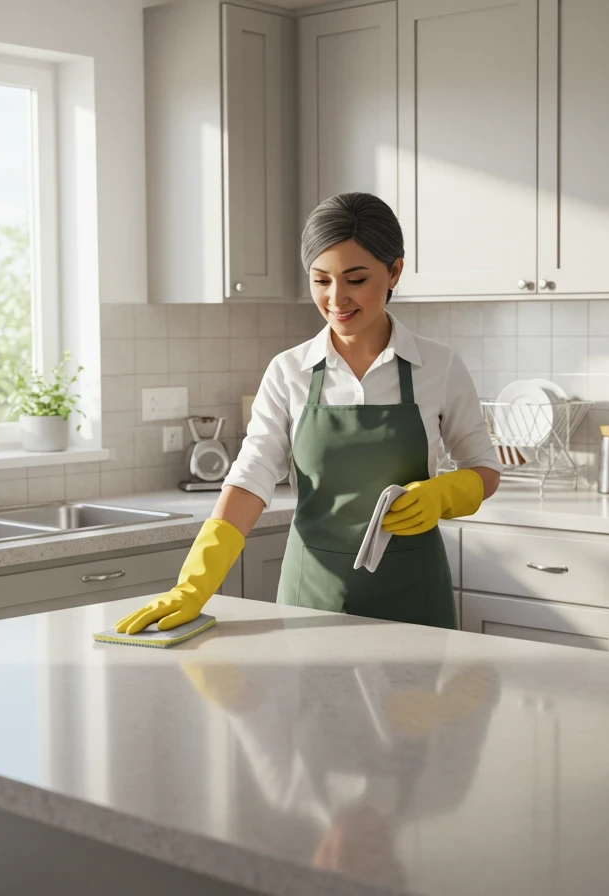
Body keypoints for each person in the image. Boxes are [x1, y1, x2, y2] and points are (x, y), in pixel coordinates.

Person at [115, 192, 501, 633]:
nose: (337, 298)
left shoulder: (440, 366)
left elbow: (484, 468)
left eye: (356, 279)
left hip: (415, 594)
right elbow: (251, 477)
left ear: (394, 270)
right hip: (311, 597)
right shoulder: (289, 371)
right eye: (321, 280)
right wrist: (193, 585)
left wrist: (444, 494)